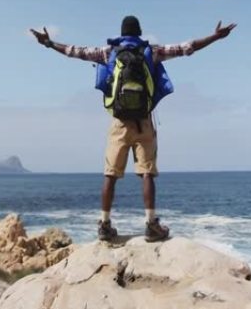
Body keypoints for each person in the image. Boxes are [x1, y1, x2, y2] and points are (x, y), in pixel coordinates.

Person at [31, 15, 236, 242]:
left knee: (110, 175)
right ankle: (151, 225)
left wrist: (49, 43)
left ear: (121, 33)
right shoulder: (152, 52)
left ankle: (105, 226)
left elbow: (74, 51)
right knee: (147, 173)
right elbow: (186, 48)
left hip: (119, 123)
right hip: (144, 122)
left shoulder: (108, 52)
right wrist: (215, 37)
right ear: (139, 33)